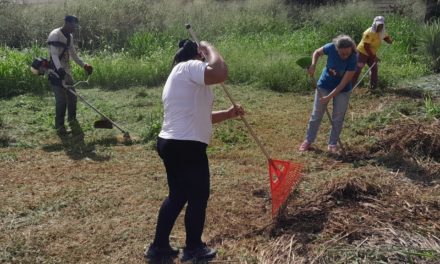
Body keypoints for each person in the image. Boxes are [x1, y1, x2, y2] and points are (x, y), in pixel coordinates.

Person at [145, 39, 244, 262]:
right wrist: (208, 47)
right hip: (186, 145)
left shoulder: (180, 76)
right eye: (202, 56)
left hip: (172, 143)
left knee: (178, 195)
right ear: (197, 56)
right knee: (198, 196)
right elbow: (220, 72)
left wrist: (227, 114)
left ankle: (159, 246)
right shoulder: (189, 67)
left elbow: (200, 116)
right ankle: (193, 248)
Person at [299, 35, 357, 154]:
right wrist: (313, 64)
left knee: (338, 116)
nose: (345, 56)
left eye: (347, 53)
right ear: (336, 49)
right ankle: (308, 140)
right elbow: (317, 52)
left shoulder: (353, 58)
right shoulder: (330, 47)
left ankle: (332, 144)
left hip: (343, 89)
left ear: (351, 49)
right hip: (324, 85)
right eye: (342, 54)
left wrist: (328, 97)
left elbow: (343, 83)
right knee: (317, 114)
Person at [47, 15, 93, 136]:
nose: (74, 28)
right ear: (67, 23)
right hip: (55, 72)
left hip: (66, 72)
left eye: (76, 26)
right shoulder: (55, 34)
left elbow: (73, 54)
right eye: (73, 25)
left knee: (73, 97)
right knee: (61, 101)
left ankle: (72, 120)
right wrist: (59, 70)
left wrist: (84, 65)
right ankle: (60, 127)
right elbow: (54, 55)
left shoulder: (69, 37)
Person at [352, 16, 393, 90]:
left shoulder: (382, 32)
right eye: (378, 25)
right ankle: (350, 87)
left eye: (381, 25)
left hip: (372, 53)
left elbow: (385, 37)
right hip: (362, 52)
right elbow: (366, 46)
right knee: (358, 69)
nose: (379, 27)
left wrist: (389, 40)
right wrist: (374, 57)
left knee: (374, 69)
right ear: (374, 24)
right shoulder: (369, 32)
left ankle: (373, 87)